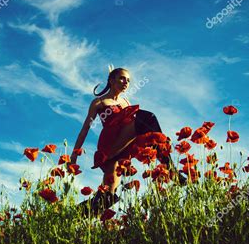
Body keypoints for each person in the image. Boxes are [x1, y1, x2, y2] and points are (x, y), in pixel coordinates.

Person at [70, 66, 184, 216]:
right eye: (122, 78)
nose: (126, 82)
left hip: (123, 146)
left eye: (128, 80)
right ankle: (170, 169)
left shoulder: (126, 101)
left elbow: (135, 127)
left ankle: (70, 217)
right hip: (110, 142)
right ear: (111, 80)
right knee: (147, 118)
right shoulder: (99, 102)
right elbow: (85, 129)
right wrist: (74, 155)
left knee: (107, 195)